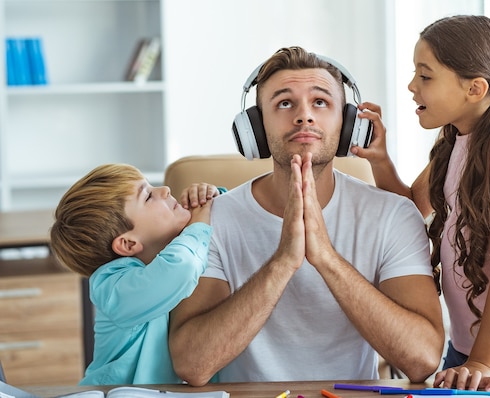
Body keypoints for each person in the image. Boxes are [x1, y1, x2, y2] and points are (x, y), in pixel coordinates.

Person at [168, 46, 444, 386]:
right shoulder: (212, 219)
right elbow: (192, 364)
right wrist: (284, 261)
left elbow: (423, 360)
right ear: (256, 127)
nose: (304, 116)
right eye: (285, 103)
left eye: (320, 102)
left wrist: (325, 257)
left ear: (348, 124)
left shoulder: (392, 214)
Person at [352, 15, 490, 391]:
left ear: (475, 88)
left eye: (426, 76)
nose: (411, 86)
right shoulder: (456, 140)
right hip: (467, 348)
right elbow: (408, 209)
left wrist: (483, 360)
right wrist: (380, 160)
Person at [49, 163, 223, 385]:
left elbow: (222, 230)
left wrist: (210, 198)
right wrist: (199, 222)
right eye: (149, 196)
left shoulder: (172, 250)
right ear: (129, 244)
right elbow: (183, 266)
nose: (165, 190)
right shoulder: (112, 287)